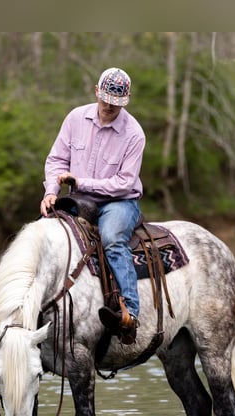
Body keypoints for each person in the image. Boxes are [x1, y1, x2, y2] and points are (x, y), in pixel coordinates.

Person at [41, 67, 145, 344]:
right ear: (97, 91)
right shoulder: (75, 118)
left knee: (111, 239)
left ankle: (130, 314)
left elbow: (124, 182)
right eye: (106, 99)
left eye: (116, 103)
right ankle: (34, 312)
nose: (110, 106)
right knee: (43, 234)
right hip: (79, 199)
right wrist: (51, 191)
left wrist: (81, 182)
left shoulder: (134, 133)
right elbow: (56, 160)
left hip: (119, 201)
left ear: (127, 99)